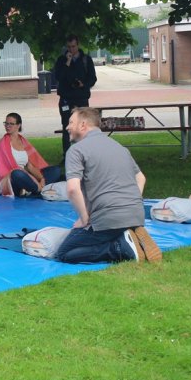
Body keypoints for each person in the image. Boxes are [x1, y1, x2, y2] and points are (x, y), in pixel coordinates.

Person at [55, 108, 162, 264]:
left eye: (71, 122)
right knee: (96, 235)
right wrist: (131, 202)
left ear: (83, 125)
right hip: (136, 215)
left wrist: (85, 219)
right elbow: (141, 178)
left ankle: (118, 247)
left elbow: (72, 189)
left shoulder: (76, 150)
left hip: (107, 220)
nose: (67, 127)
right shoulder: (120, 148)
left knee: (65, 253)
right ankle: (128, 233)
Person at [0, 113, 62, 197]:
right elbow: (5, 171)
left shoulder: (23, 142)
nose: (7, 126)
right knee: (17, 174)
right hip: (11, 179)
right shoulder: (2, 144)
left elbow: (30, 166)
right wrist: (33, 179)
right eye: (6, 123)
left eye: (11, 124)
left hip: (26, 176)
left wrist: (41, 179)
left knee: (55, 170)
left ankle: (34, 188)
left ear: (18, 125)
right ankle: (39, 189)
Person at [52, 34, 97, 157]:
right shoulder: (62, 60)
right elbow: (58, 77)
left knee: (83, 126)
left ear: (78, 45)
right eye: (69, 47)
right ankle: (67, 155)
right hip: (66, 99)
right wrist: (68, 61)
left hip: (81, 98)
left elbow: (93, 78)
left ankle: (85, 154)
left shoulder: (86, 60)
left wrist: (83, 84)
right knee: (67, 126)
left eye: (73, 46)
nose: (71, 49)